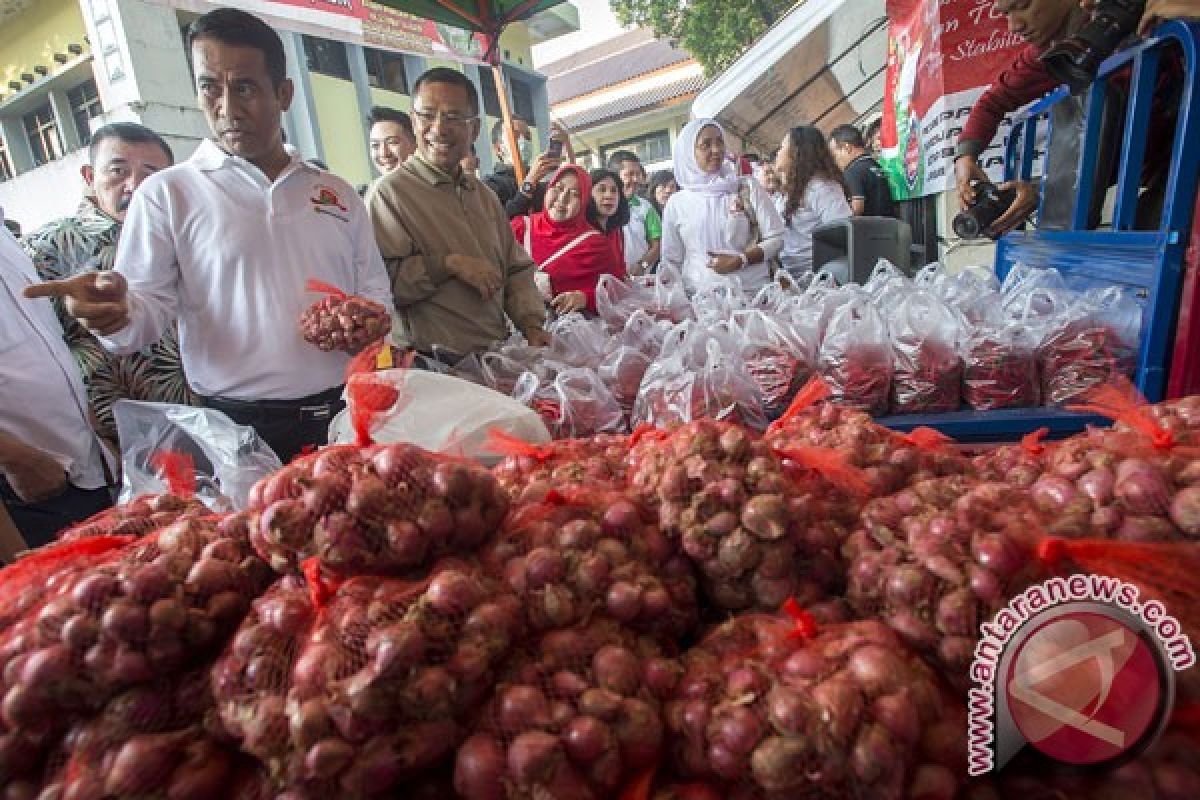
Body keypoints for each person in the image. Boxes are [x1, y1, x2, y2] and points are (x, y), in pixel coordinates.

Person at [24, 8, 394, 463]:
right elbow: (144, 312)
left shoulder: (335, 193)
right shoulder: (169, 194)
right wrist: (114, 314)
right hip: (237, 426)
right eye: (209, 88)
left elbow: (376, 289)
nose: (227, 108)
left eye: (244, 88)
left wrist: (369, 323)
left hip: (345, 409)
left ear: (284, 93)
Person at [23, 122, 195, 451]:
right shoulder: (50, 248)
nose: (135, 185)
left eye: (151, 174)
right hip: (118, 438)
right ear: (90, 177)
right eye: (118, 171)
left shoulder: (186, 237)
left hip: (202, 417)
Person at [955, 0, 1188, 234]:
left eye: (1023, 5)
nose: (1014, 25)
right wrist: (965, 157)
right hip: (1165, 177)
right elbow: (994, 101)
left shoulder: (1153, 10)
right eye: (1006, 13)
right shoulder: (1057, 56)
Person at [367, 67, 549, 361]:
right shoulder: (389, 194)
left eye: (453, 117)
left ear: (474, 129)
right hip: (431, 365)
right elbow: (382, 285)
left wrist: (530, 323)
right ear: (413, 121)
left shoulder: (483, 195)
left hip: (494, 356)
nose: (438, 128)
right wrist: (449, 265)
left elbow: (516, 268)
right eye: (427, 115)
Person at [2, 209, 116, 549]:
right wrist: (15, 458)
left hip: (81, 462)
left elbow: (43, 347)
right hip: (25, 479)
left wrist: (91, 429)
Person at [660, 118, 785, 294]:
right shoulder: (677, 203)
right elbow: (671, 260)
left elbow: (777, 238)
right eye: (706, 145)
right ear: (688, 153)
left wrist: (740, 260)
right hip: (701, 300)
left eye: (720, 142)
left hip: (753, 293)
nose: (717, 150)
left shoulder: (746, 187)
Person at [510, 165, 626, 315]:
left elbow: (617, 290)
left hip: (570, 331)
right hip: (515, 329)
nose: (563, 198)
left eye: (575, 194)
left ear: (584, 201)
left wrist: (585, 298)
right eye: (558, 188)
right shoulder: (520, 228)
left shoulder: (596, 245)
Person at [775, 125, 853, 280]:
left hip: (817, 276)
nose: (778, 152)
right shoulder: (792, 189)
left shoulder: (822, 188)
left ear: (796, 153)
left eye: (782, 147)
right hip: (793, 275)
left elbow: (843, 230)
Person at [483, 117, 571, 219]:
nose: (524, 141)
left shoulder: (542, 187)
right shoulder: (490, 185)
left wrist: (567, 146)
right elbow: (499, 222)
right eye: (515, 136)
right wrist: (528, 184)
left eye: (527, 137)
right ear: (498, 149)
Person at [607, 151, 660, 275]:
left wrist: (642, 265)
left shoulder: (645, 207)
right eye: (630, 174)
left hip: (641, 281)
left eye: (638, 174)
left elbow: (657, 245)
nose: (636, 179)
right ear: (615, 177)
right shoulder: (604, 208)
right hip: (610, 281)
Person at [828, 124, 897, 218]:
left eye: (834, 155)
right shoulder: (875, 165)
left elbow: (856, 209)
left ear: (847, 148)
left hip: (872, 230)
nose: (835, 161)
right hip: (891, 225)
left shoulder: (853, 171)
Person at [588, 168, 631, 268]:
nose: (609, 196)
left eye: (614, 190)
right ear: (588, 194)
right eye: (602, 190)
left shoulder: (617, 231)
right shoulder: (582, 233)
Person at [368, 106, 416, 175]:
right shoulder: (376, 185)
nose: (384, 153)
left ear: (415, 144)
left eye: (392, 142)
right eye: (375, 145)